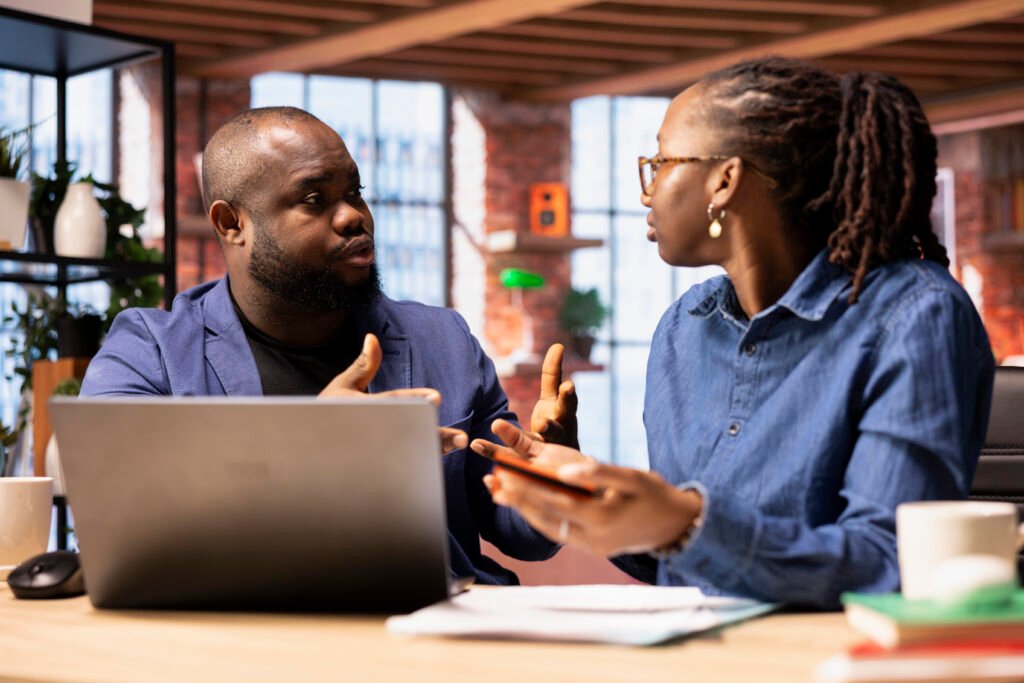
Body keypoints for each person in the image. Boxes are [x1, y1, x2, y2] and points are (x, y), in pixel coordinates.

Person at [470, 56, 995, 608]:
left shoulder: (915, 315)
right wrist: (586, 491)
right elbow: (677, 557)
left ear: (724, 181)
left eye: (662, 161)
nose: (647, 192)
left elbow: (889, 563)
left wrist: (684, 521)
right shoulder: (683, 329)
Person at [81, 106, 579, 585]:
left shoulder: (443, 340)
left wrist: (553, 478)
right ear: (231, 224)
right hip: (245, 640)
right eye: (315, 200)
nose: (353, 218)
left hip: (428, 637)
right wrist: (314, 449)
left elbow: (522, 537)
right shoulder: (152, 352)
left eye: (355, 193)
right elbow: (119, 517)